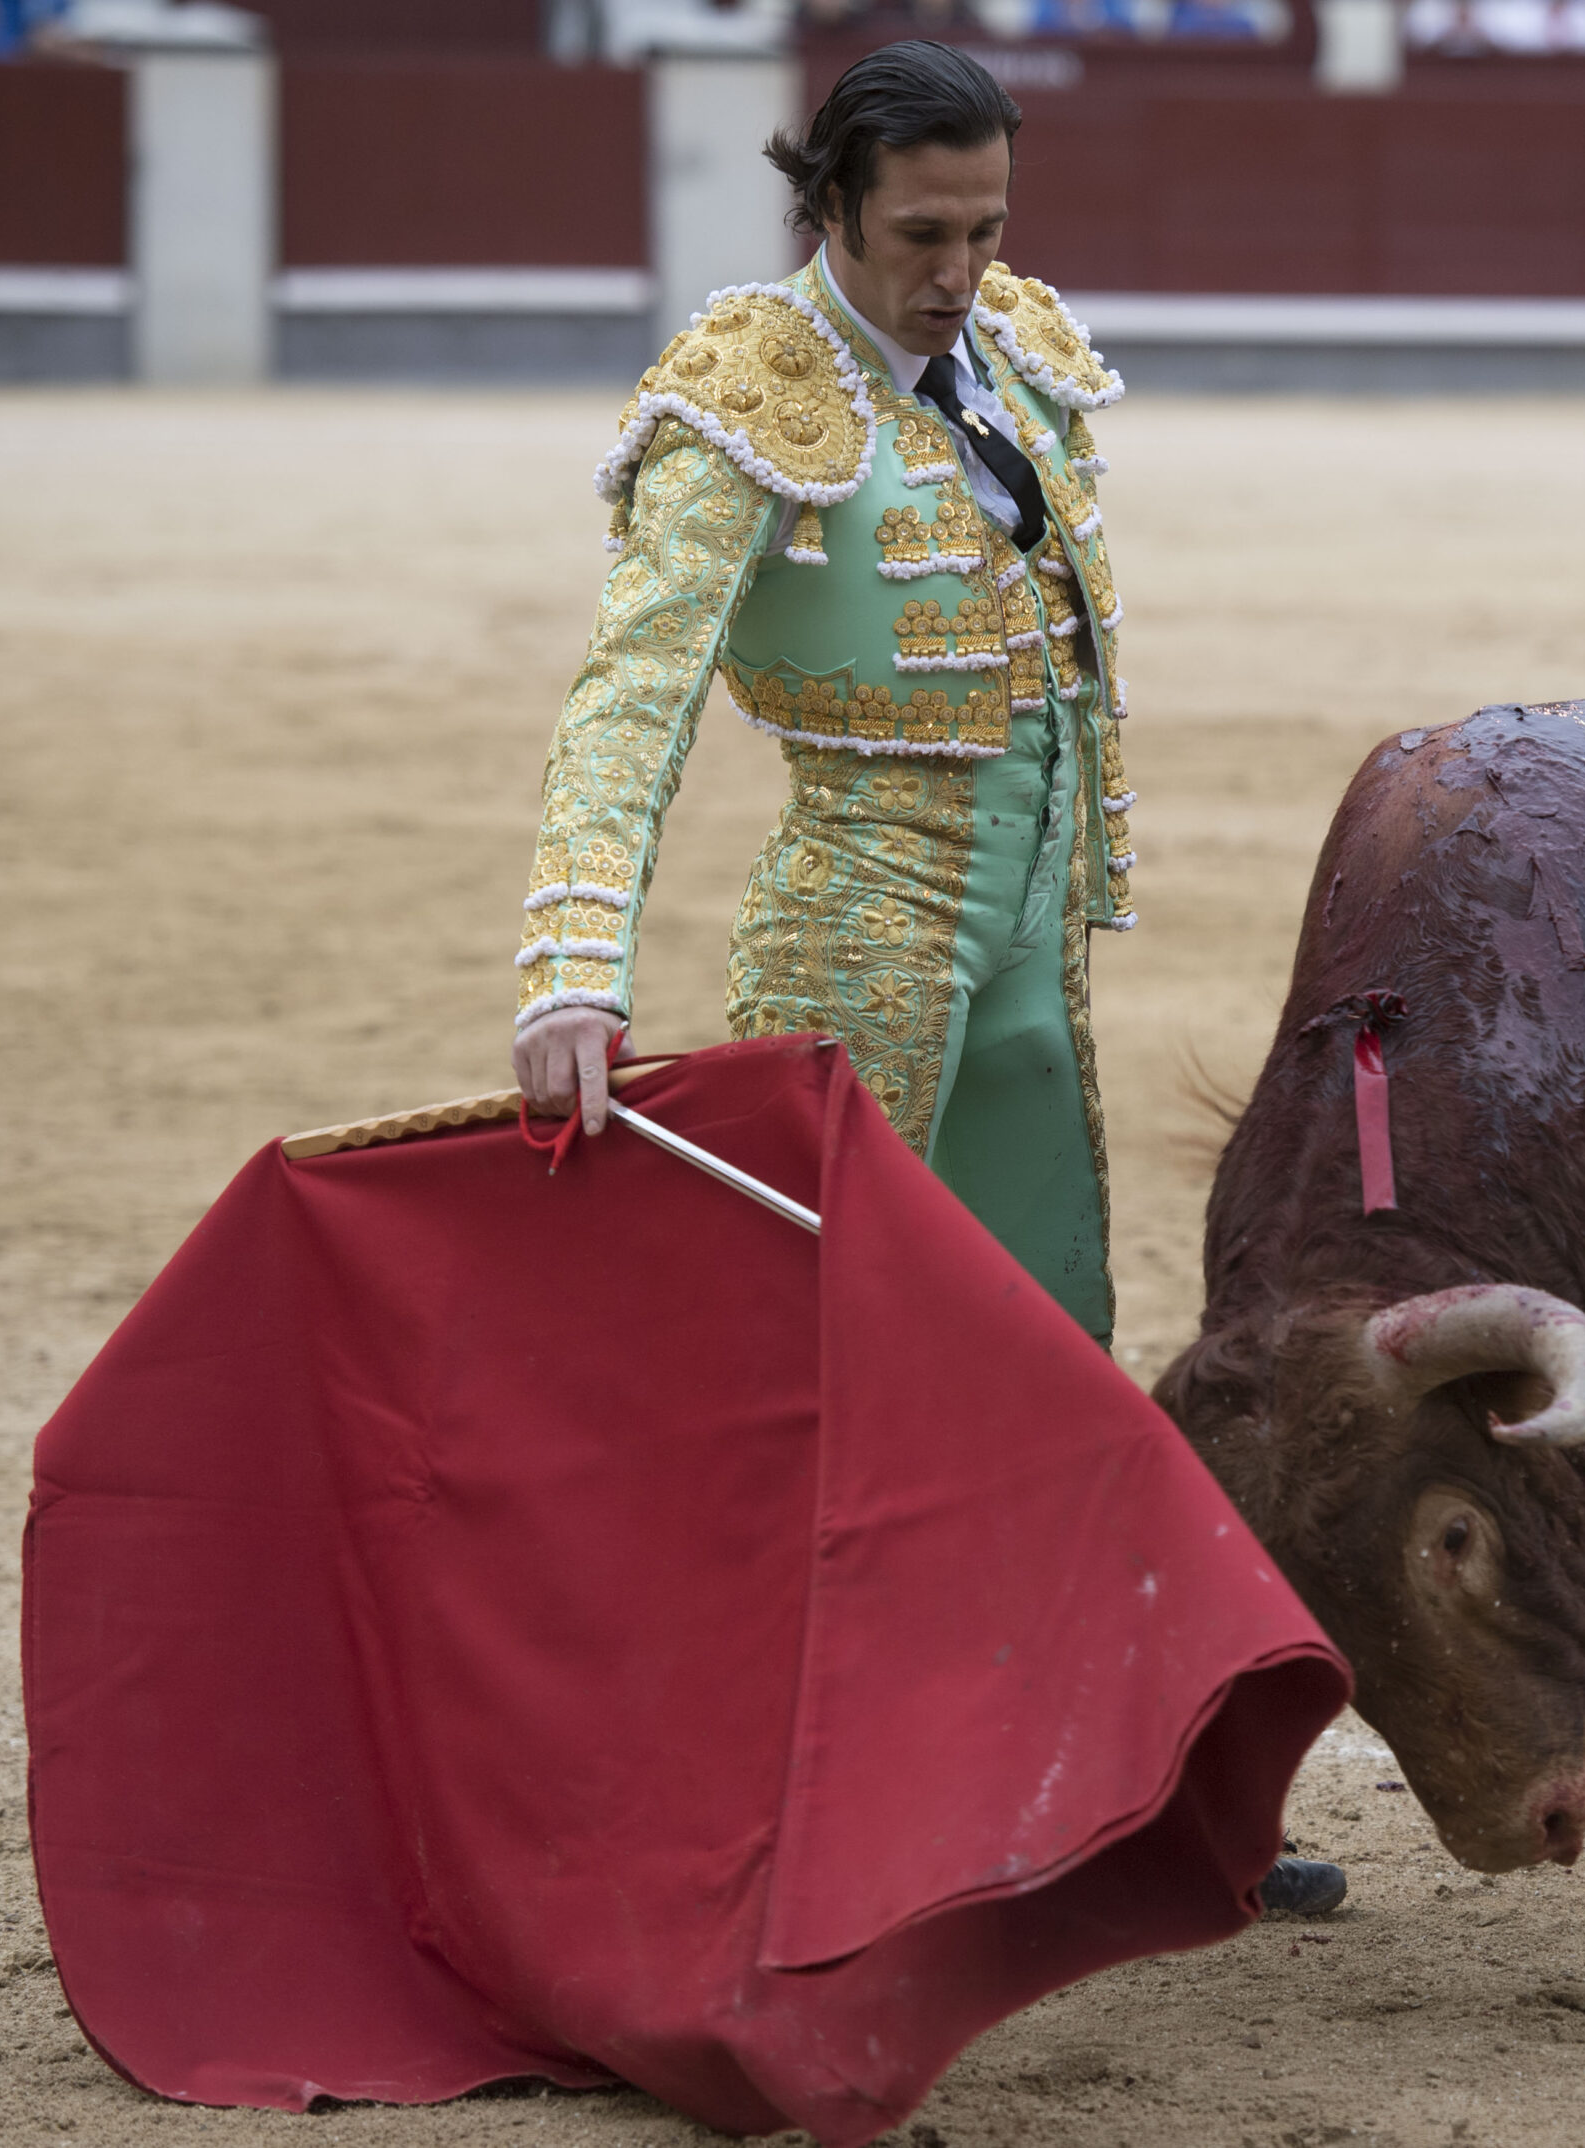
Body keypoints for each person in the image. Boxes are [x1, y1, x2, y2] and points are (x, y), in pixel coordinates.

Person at [507, 39, 1345, 1919]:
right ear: (831, 209)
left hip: (1031, 949)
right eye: (920, 236)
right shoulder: (744, 394)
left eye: (985, 229)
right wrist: (572, 966)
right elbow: (629, 698)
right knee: (818, 1381)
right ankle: (752, 1810)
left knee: (1055, 1362)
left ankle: (1111, 1790)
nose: (960, 271)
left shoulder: (1016, 351)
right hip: (860, 941)